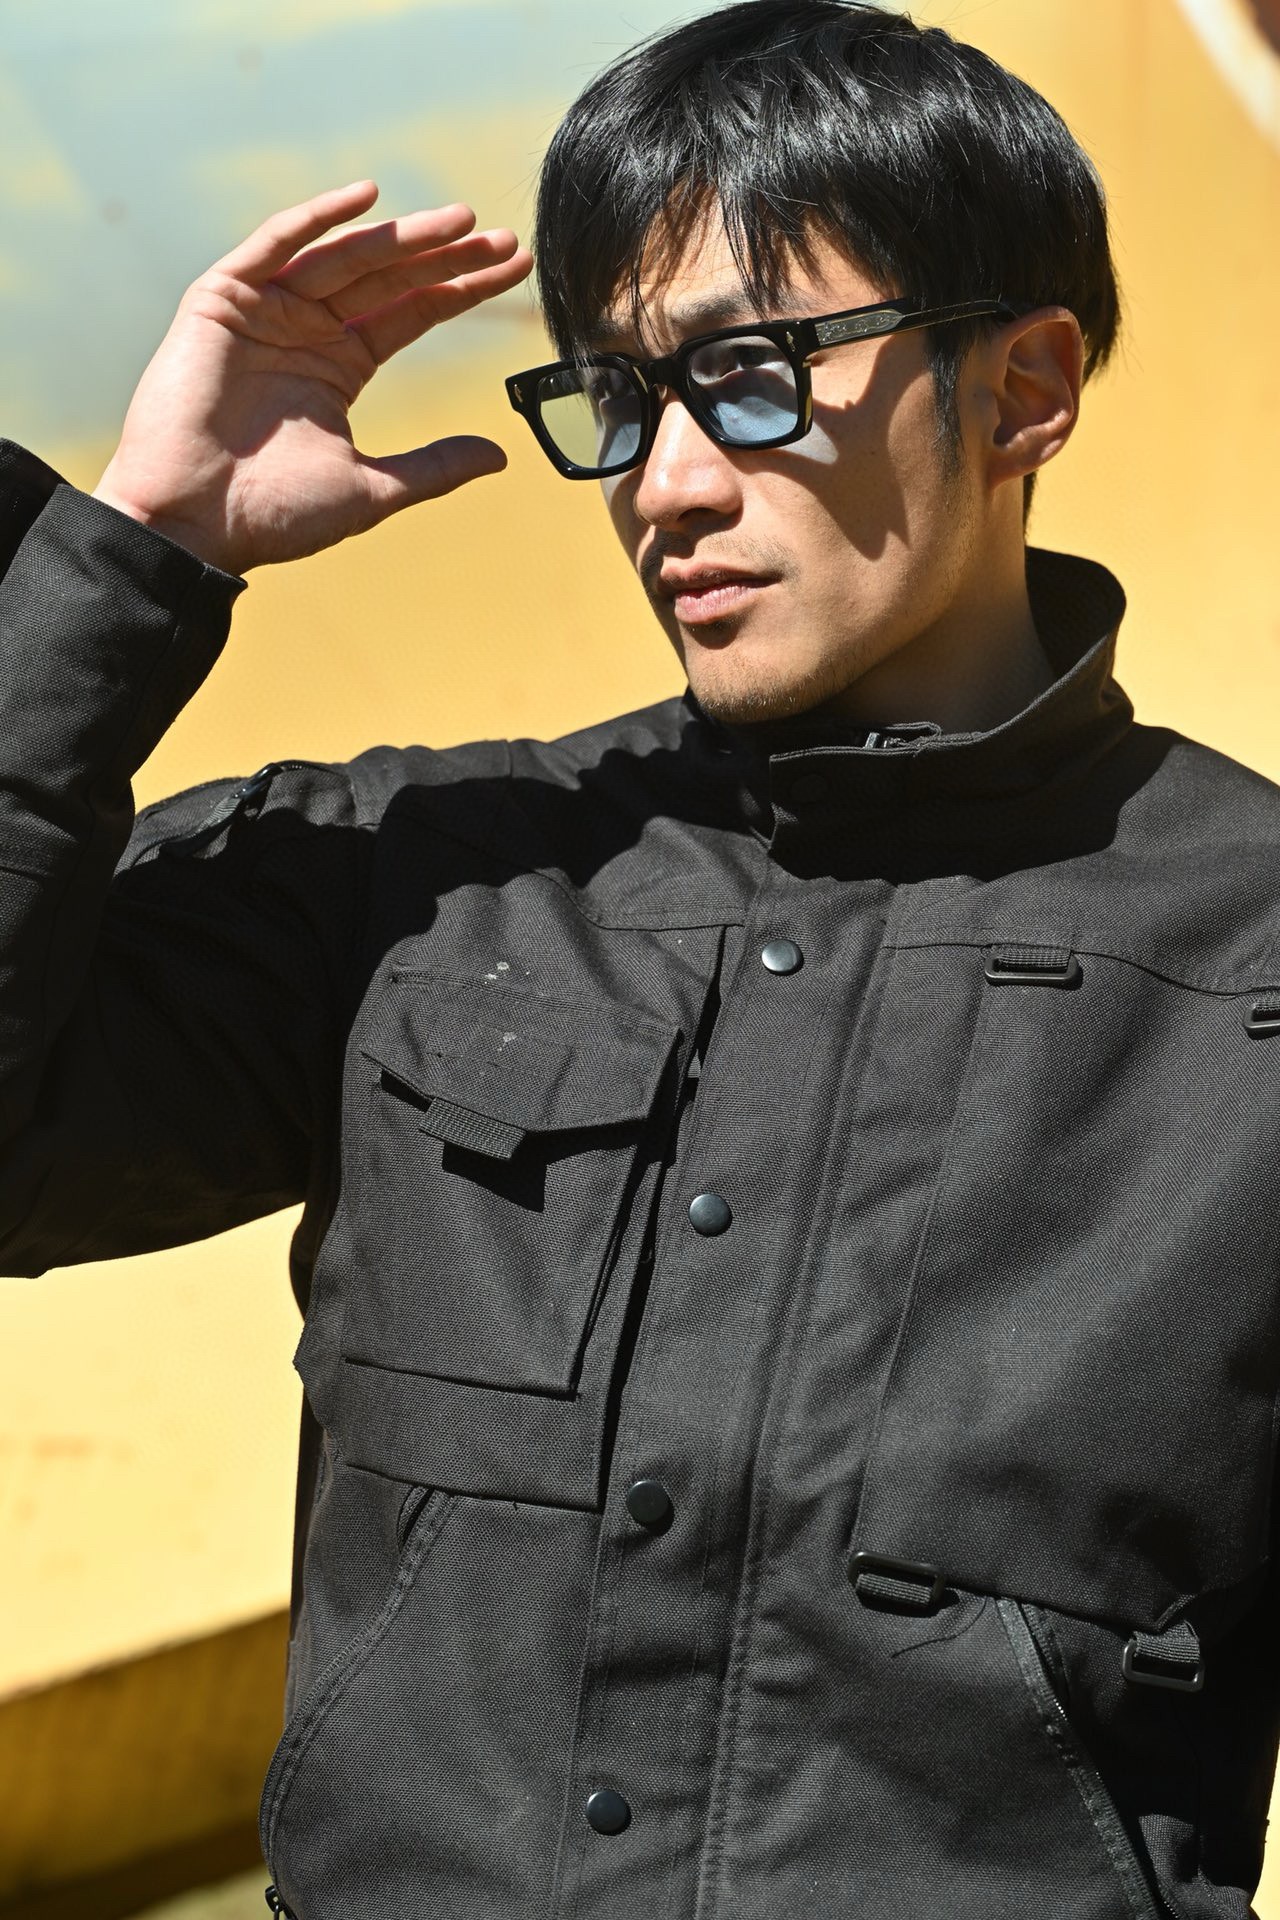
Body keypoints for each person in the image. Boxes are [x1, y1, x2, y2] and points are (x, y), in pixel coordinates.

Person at [1, 1, 1277, 1915]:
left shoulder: (1253, 970)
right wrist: (134, 552)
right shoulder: (425, 880)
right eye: (620, 396)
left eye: (750, 376)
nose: (663, 483)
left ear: (1024, 387)